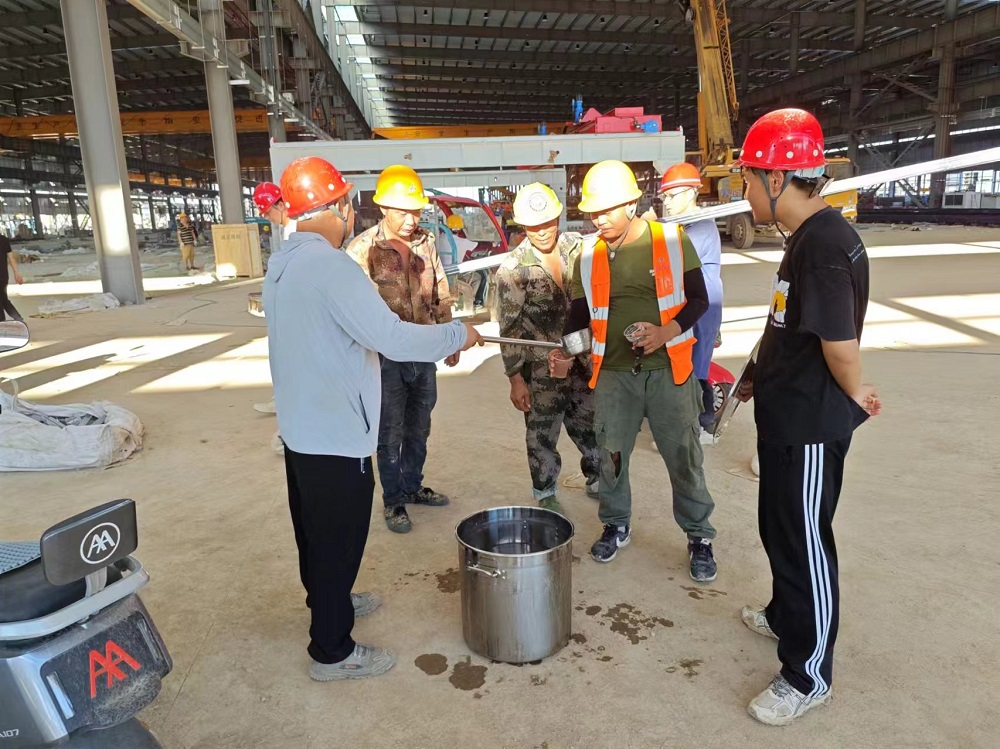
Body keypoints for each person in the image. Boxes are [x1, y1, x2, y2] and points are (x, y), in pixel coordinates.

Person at [265, 156, 483, 681]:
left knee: (314, 533)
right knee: (338, 540)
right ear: (340, 205)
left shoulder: (283, 263)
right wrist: (459, 334)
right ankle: (332, 651)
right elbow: (391, 338)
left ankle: (329, 600)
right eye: (347, 202)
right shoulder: (333, 266)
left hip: (303, 428)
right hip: (335, 433)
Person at [734, 109, 879, 725]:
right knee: (779, 528)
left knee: (805, 540)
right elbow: (787, 322)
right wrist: (756, 372)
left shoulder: (822, 247)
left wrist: (857, 391)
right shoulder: (806, 238)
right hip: (784, 415)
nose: (743, 190)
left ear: (777, 178)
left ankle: (808, 672)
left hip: (810, 426)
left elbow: (840, 346)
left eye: (747, 177)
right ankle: (784, 615)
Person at [559, 160, 719, 582]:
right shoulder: (586, 255)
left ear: (631, 203)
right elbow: (578, 315)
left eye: (607, 209)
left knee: (683, 456)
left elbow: (700, 300)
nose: (599, 219)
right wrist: (566, 350)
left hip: (668, 372)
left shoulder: (671, 239)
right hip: (613, 375)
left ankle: (699, 535)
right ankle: (616, 524)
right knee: (611, 455)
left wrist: (665, 332)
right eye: (593, 211)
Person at [346, 166, 456, 534]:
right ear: (383, 208)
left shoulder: (425, 242)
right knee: (389, 432)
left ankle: (412, 486)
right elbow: (354, 311)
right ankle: (393, 500)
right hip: (384, 359)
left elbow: (440, 290)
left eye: (416, 211)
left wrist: (449, 336)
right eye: (402, 212)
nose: (411, 220)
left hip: (423, 351)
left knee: (419, 426)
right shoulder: (362, 250)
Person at [495, 183, 600, 515]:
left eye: (548, 222)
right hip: (542, 370)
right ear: (522, 225)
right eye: (533, 225)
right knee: (542, 433)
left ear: (559, 217)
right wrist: (515, 380)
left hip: (584, 360)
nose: (542, 231)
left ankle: (598, 478)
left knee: (592, 425)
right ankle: (545, 491)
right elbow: (509, 330)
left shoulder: (580, 249)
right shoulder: (513, 269)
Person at [657, 163, 724, 443]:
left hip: (703, 307)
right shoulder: (683, 224)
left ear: (692, 193)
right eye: (664, 196)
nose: (667, 202)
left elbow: (674, 255)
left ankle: (703, 426)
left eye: (672, 195)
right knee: (684, 363)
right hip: (687, 303)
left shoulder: (702, 226)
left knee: (697, 367)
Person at [252, 182, 294, 421]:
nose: (268, 218)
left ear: (280, 204)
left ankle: (286, 403)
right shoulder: (289, 229)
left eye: (268, 212)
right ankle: (283, 400)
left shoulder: (296, 230)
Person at [1, 233, 24, 322]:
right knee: (3, 299)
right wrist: (16, 272)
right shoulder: (4, 239)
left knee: (2, 300)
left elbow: (11, 258)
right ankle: (18, 319)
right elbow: (11, 258)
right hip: (3, 276)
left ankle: (2, 323)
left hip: (2, 276)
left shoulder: (3, 240)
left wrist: (16, 273)